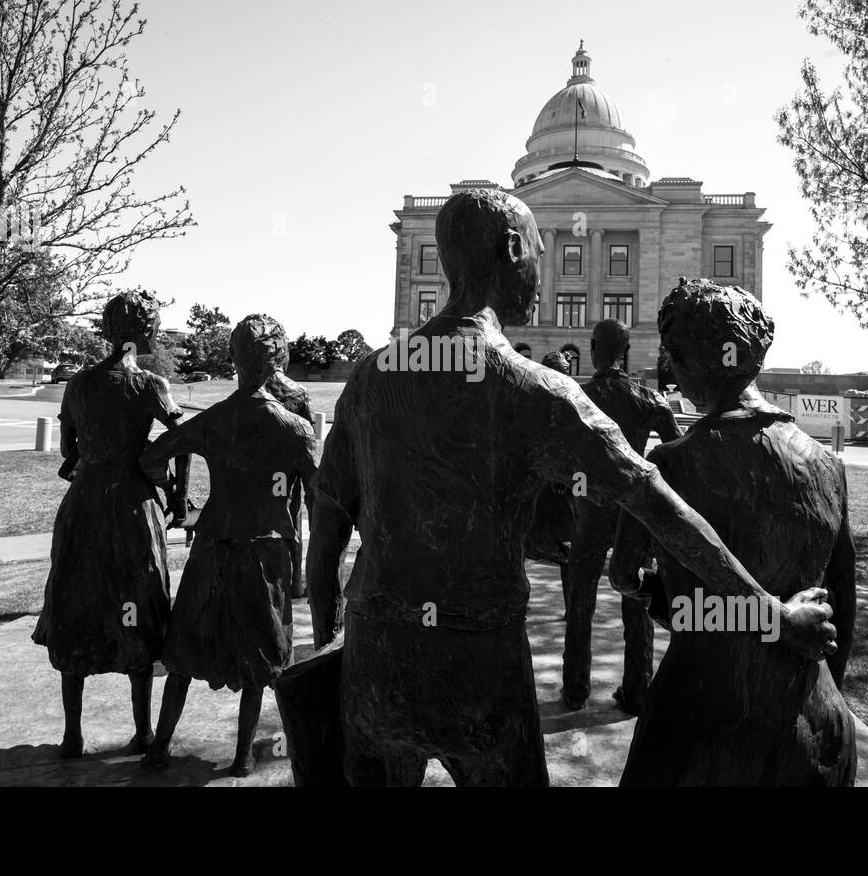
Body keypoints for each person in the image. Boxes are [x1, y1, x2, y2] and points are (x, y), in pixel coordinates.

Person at [305, 188, 840, 787]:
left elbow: (325, 534)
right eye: (536, 250)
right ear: (512, 249)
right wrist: (767, 613)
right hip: (477, 666)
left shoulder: (371, 377)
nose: (539, 271)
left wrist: (328, 644)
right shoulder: (536, 391)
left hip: (376, 658)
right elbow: (659, 508)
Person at [615, 279, 857, 786]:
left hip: (701, 714)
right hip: (814, 712)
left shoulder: (668, 466)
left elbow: (623, 572)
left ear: (680, 363)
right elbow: (845, 601)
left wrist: (661, 595)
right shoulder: (828, 466)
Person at [140, 314, 319, 777]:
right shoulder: (296, 430)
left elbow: (153, 456)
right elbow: (321, 498)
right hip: (264, 553)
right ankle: (242, 756)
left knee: (184, 651)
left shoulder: (215, 420)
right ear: (275, 361)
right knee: (260, 654)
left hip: (215, 545)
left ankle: (160, 747)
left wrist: (179, 500)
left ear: (235, 361)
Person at [32, 288, 187, 759]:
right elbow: (180, 441)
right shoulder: (150, 386)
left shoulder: (78, 385)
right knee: (136, 602)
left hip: (84, 507)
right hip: (132, 509)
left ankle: (72, 736)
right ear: (144, 333)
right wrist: (178, 499)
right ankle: (142, 732)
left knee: (76, 601)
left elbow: (67, 451)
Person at [562, 318, 681, 715]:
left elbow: (554, 458)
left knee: (580, 603)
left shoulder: (576, 395)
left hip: (590, 510)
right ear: (625, 352)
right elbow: (676, 454)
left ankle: (576, 689)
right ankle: (637, 690)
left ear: (594, 347)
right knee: (637, 601)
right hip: (633, 511)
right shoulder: (649, 399)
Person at [525, 350, 577, 610]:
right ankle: (521, 600)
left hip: (554, 487)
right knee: (524, 543)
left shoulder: (571, 402)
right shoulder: (538, 400)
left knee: (565, 550)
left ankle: (569, 607)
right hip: (546, 485)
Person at [265, 363, 315, 599]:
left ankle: (270, 581)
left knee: (264, 525)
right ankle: (294, 584)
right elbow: (309, 434)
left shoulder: (254, 387)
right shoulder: (299, 391)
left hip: (262, 469)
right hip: (291, 469)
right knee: (292, 520)